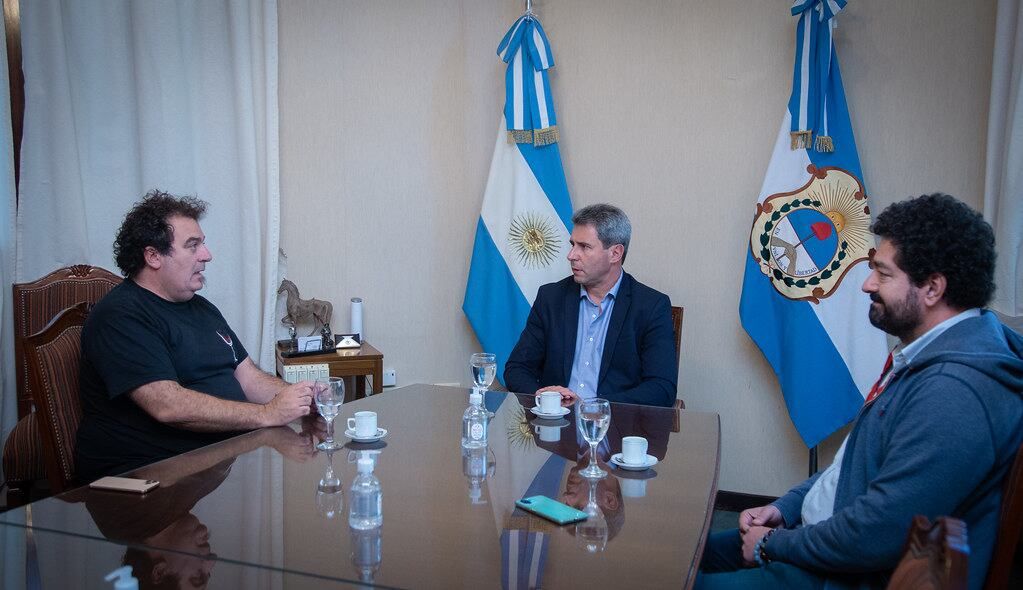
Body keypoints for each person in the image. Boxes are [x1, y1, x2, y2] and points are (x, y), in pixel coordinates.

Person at [697, 194, 1023, 589]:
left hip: (843, 575)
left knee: (661, 578)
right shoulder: (932, 355)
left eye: (883, 275)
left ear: (933, 288)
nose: (867, 284)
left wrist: (774, 545)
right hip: (816, 540)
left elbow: (877, 534)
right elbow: (850, 468)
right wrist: (786, 509)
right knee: (673, 555)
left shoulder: (954, 392)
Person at [76, 190, 317, 482]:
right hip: (146, 478)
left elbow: (248, 378)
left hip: (214, 458)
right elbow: (168, 405)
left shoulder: (201, 308)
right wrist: (267, 413)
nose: (207, 255)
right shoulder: (121, 316)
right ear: (153, 256)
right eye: (193, 246)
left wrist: (300, 398)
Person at [504, 203, 677, 407]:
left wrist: (595, 407)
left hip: (615, 429)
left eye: (584, 247)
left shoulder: (651, 306)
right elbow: (517, 368)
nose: (571, 255)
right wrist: (544, 396)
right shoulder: (551, 298)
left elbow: (661, 388)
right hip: (556, 427)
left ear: (615, 253)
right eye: (572, 244)